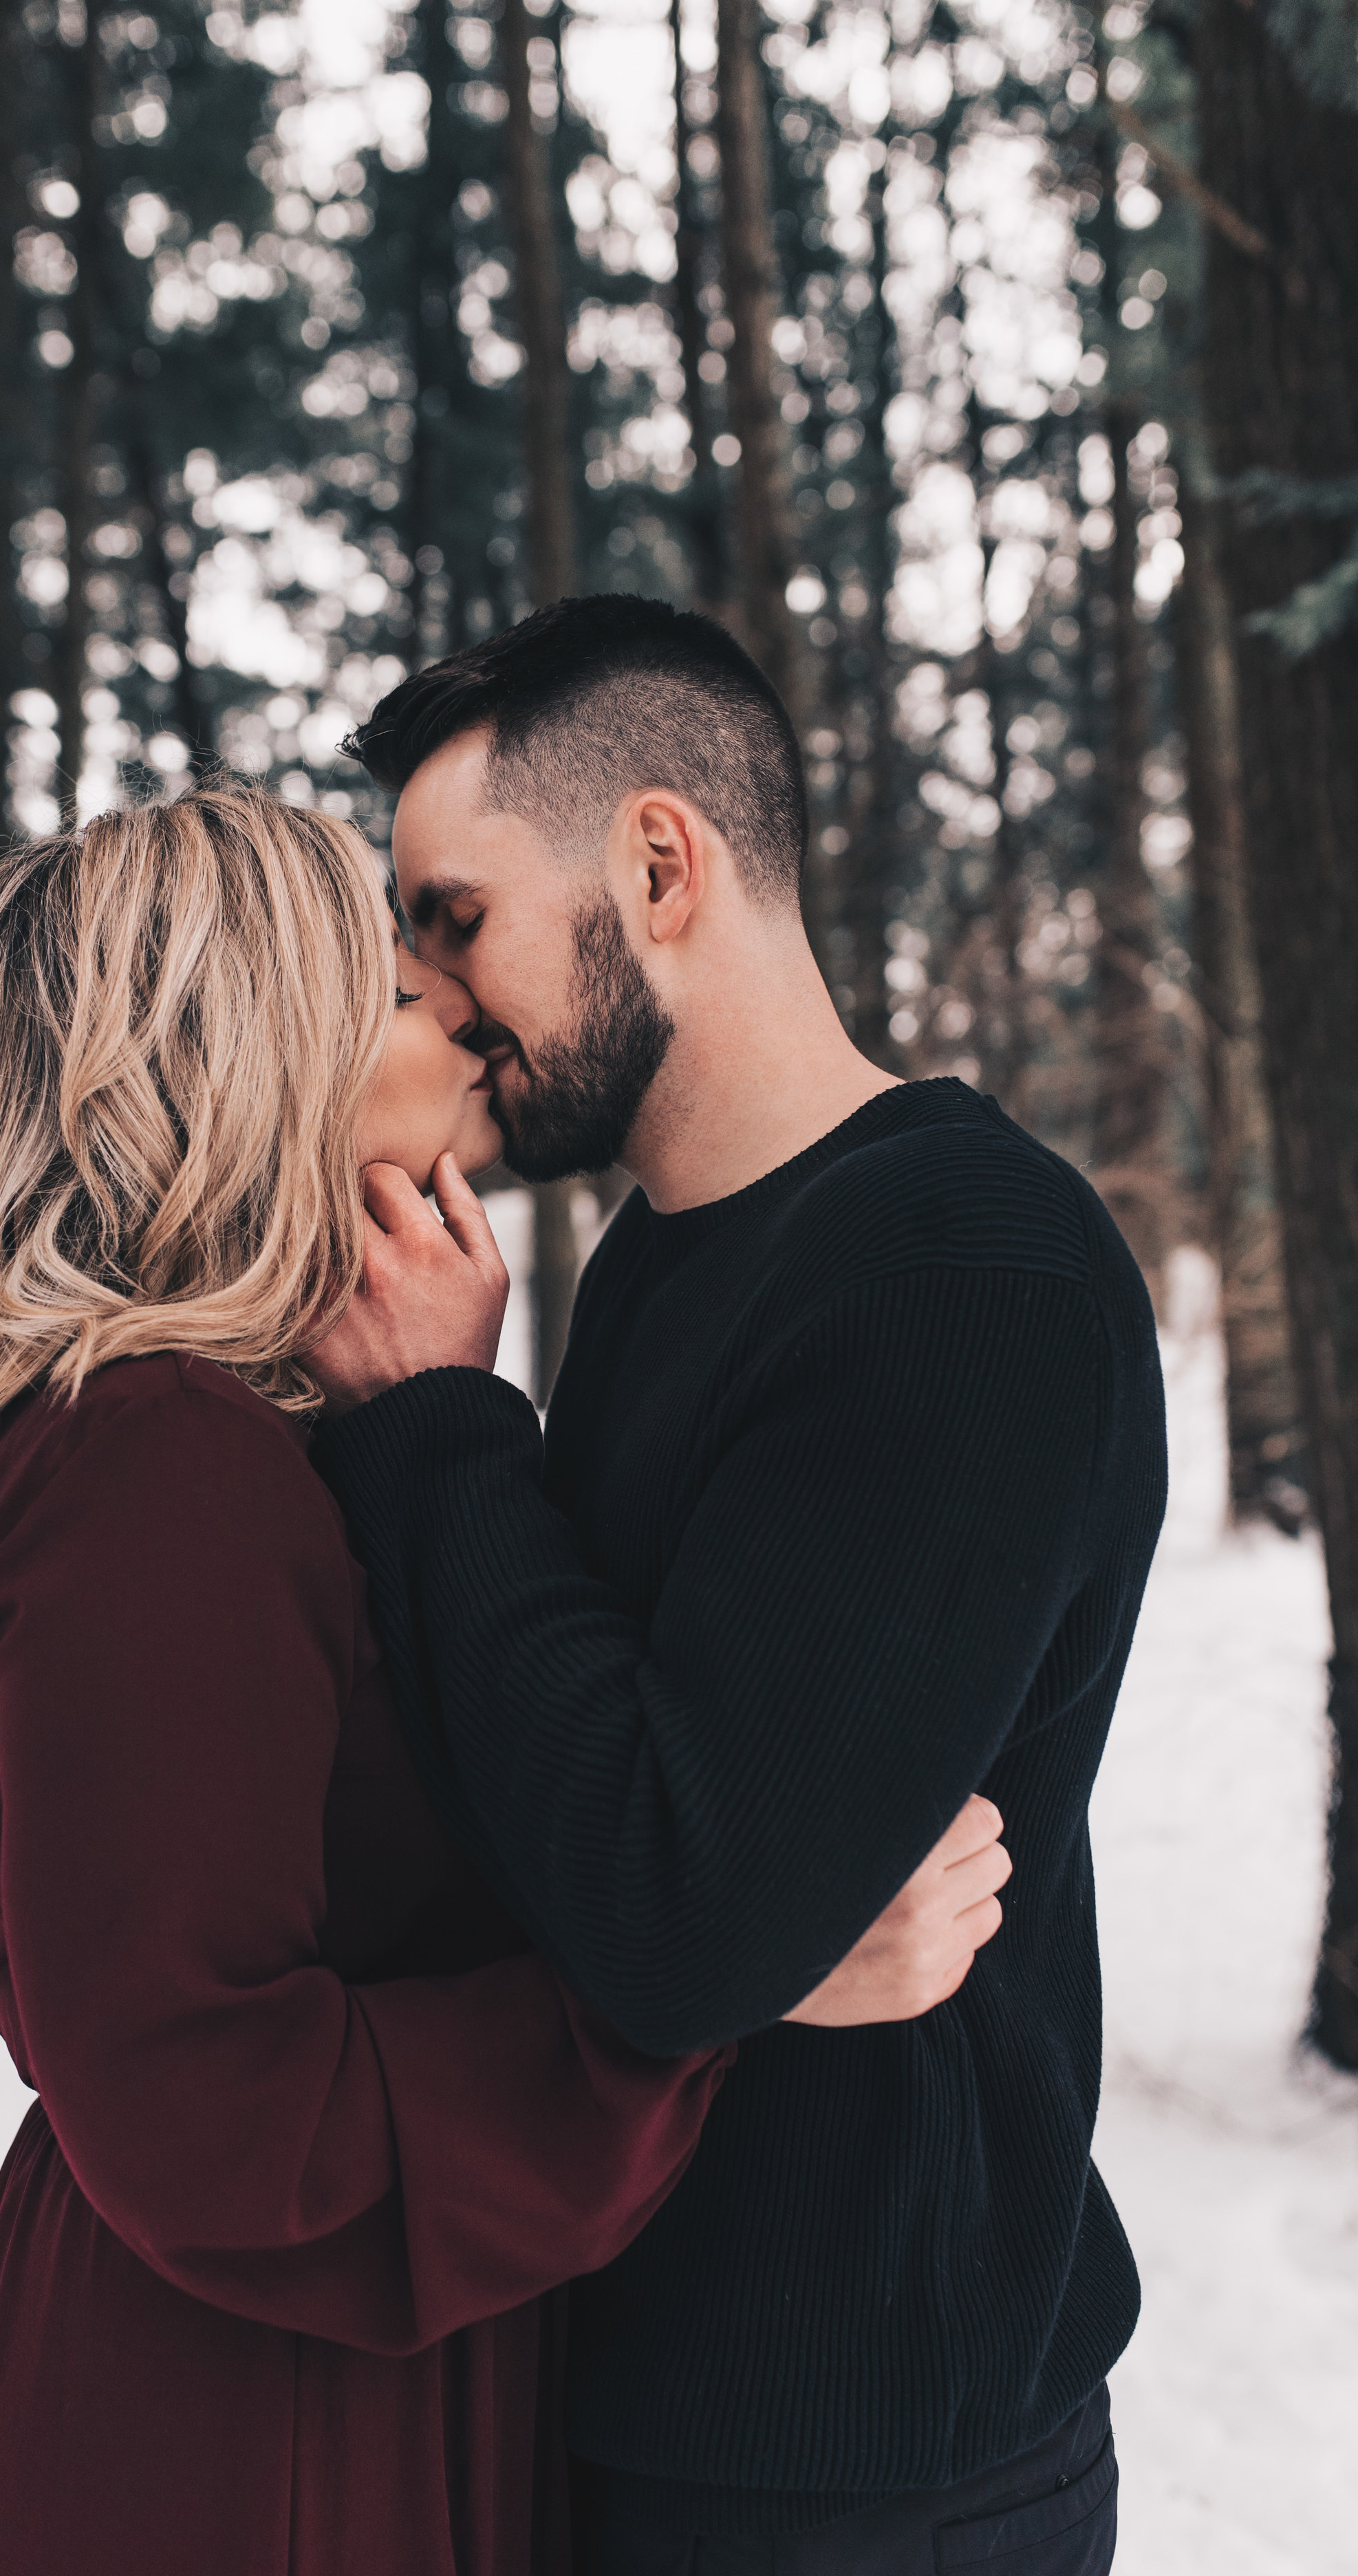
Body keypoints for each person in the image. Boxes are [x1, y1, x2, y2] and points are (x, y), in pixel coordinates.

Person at [0, 781, 1011, 2576]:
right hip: (243, 2434)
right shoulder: (160, 1464)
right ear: (257, 1066)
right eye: (397, 992)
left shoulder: (246, 1434)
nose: (462, 1008)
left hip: (330, 2357)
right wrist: (714, 1987)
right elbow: (203, 2097)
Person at [306, 595, 1170, 2575]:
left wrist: (445, 1429)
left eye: (455, 916)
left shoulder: (960, 1268)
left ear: (659, 862)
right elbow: (567, 1807)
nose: (431, 996)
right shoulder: (659, 1263)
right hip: (646, 2380)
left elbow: (672, 1913)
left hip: (860, 2466)